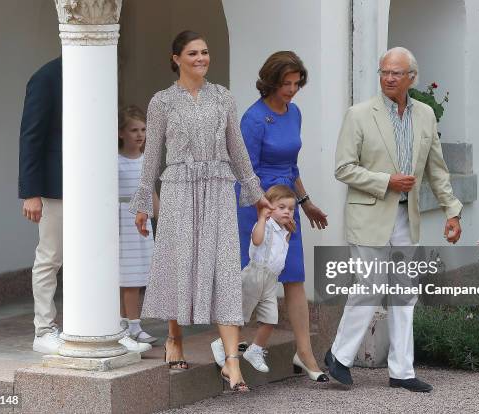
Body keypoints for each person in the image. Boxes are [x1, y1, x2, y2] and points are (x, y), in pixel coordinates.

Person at [130, 30, 271, 393]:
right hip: (177, 189)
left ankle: (232, 363)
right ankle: (174, 337)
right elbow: (152, 155)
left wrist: (255, 193)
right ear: (176, 58)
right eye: (193, 53)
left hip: (219, 189)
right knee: (181, 263)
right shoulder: (162, 102)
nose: (201, 58)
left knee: (224, 269)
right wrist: (144, 202)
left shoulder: (223, 97)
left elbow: (237, 149)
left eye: (205, 52)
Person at [324, 47, 463, 392]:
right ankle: (339, 357)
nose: (388, 78)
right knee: (370, 288)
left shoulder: (427, 115)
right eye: (384, 72)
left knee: (404, 293)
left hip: (407, 217)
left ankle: (401, 370)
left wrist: (452, 210)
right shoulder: (359, 115)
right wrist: (386, 181)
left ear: (411, 78)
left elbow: (437, 170)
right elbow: (343, 168)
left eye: (396, 73)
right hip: (368, 216)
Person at [236, 51, 329, 382]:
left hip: (287, 207)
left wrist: (305, 203)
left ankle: (304, 353)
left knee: (294, 277)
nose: (291, 90)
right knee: (254, 277)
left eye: (296, 83)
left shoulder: (295, 113)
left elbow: (291, 167)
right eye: (285, 83)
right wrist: (270, 210)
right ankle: (229, 348)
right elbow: (247, 171)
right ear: (271, 81)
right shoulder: (254, 118)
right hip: (258, 206)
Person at [211, 185, 295, 373]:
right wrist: (261, 219)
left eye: (290, 209)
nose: (287, 212)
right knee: (240, 317)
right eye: (281, 207)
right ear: (270, 207)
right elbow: (257, 241)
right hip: (254, 275)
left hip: (271, 280)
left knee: (271, 319)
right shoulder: (264, 226)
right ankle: (220, 344)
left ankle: (255, 350)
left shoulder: (284, 232)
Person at [18, 56, 64, 354]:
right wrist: (30, 192)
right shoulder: (45, 77)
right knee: (50, 258)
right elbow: (30, 137)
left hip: (88, 187)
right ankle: (43, 330)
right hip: (52, 187)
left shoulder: (95, 70)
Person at [117, 105, 157, 354]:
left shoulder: (147, 161)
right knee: (129, 277)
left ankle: (127, 323)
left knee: (140, 275)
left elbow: (151, 192)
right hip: (124, 220)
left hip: (143, 223)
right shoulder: (115, 161)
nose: (140, 134)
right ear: (122, 133)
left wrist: (162, 219)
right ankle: (132, 324)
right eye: (134, 130)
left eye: (143, 129)